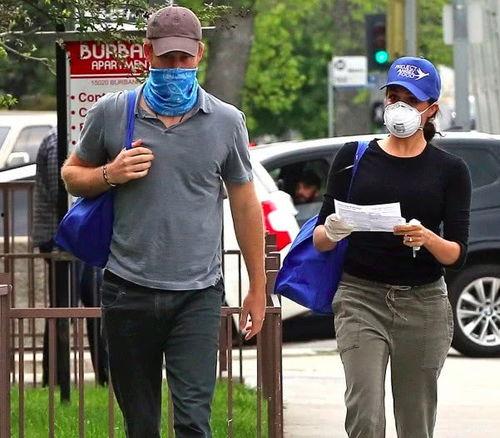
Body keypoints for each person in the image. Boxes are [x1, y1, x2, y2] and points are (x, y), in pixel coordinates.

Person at [61, 5, 266, 438]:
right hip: (127, 289)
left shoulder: (226, 121)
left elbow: (245, 205)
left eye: (184, 58)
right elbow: (72, 175)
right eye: (166, 57)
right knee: (141, 425)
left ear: (200, 55)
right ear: (146, 53)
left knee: (193, 422)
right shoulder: (112, 112)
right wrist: (109, 174)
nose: (175, 67)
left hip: (198, 295)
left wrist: (258, 287)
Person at [313, 56, 471, 438]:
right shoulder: (353, 157)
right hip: (360, 298)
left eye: (411, 100)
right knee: (365, 415)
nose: (400, 107)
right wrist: (334, 229)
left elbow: (456, 253)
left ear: (431, 109)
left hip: (423, 304)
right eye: (393, 97)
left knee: (415, 421)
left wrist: (427, 238)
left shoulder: (450, 170)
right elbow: (320, 239)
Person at [33, 128, 108, 387]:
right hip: (62, 236)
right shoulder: (59, 140)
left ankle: (103, 376)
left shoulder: (63, 139)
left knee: (92, 303)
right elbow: (62, 190)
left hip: (76, 233)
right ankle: (56, 378)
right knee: (64, 309)